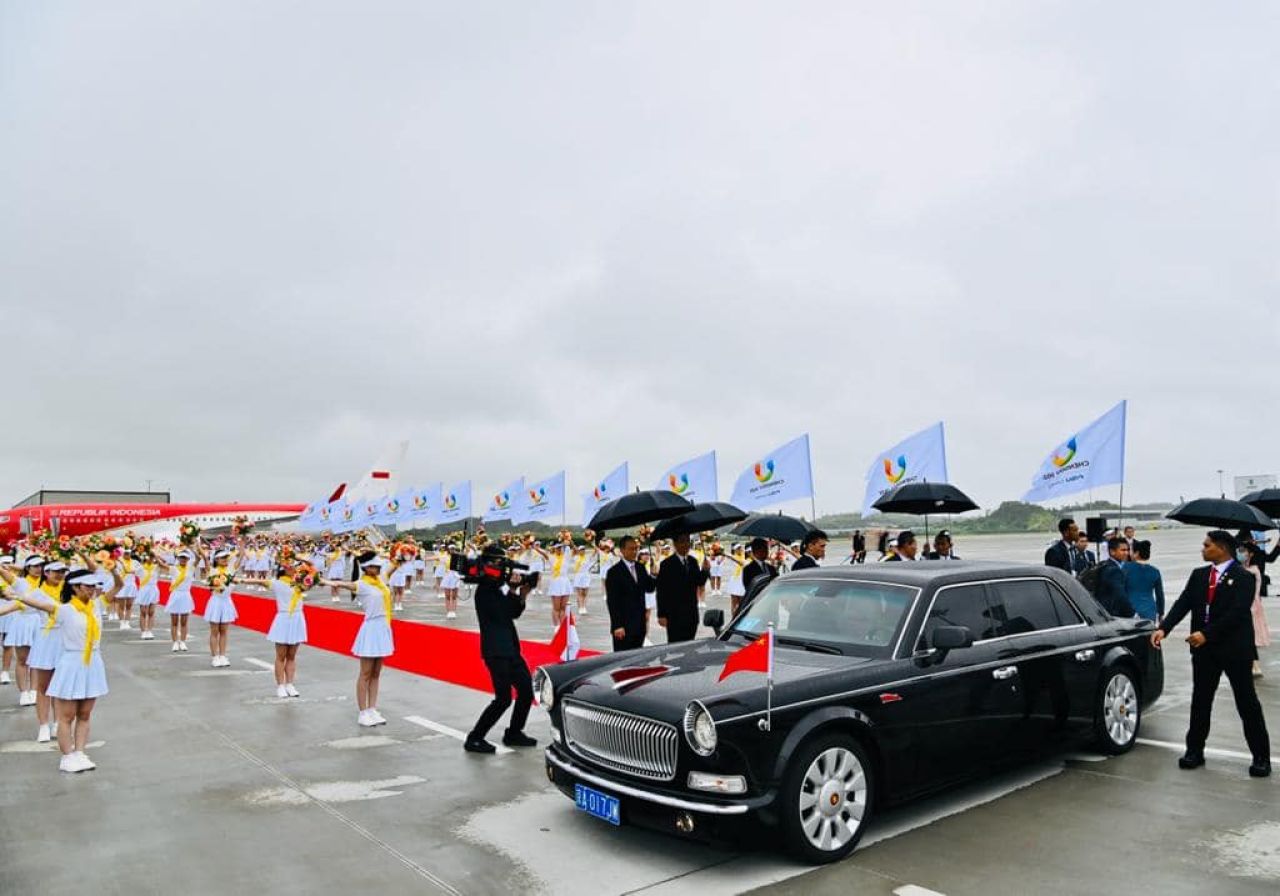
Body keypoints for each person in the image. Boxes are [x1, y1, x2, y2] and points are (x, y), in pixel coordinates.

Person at [1151, 530, 1270, 777]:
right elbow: (1183, 603)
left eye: (1207, 545)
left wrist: (1207, 634)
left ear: (1222, 548)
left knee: (1246, 703)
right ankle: (1194, 751)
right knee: (1201, 701)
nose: (1202, 549)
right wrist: (1164, 628)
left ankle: (1261, 757)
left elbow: (1237, 614)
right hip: (1204, 651)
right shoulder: (1199, 575)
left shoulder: (1244, 577)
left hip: (1234, 649)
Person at [8, 567, 119, 772]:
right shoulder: (64, 609)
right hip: (71, 662)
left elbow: (118, 586)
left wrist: (115, 572)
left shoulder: (97, 606)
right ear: (75, 588)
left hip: (93, 663)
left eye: (94, 586)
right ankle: (67, 757)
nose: (92, 589)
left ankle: (80, 752)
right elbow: (35, 602)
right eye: (87, 586)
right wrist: (15, 595)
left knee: (85, 714)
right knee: (66, 716)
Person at [465, 547, 537, 754]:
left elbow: (514, 612)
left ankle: (514, 732)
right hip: (496, 651)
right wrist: (512, 589)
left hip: (510, 649)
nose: (503, 568)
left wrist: (521, 593)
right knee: (503, 698)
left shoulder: (497, 588)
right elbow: (502, 612)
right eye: (498, 563)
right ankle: (475, 738)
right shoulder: (485, 590)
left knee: (526, 690)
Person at [324, 551, 401, 727]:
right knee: (365, 673)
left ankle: (373, 708)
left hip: (384, 628)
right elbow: (339, 583)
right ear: (366, 568)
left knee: (376, 673)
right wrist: (316, 580)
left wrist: (404, 553)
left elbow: (395, 564)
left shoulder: (382, 579)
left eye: (378, 565)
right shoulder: (361, 584)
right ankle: (363, 712)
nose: (378, 568)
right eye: (374, 565)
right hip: (371, 629)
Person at [267, 561, 313, 698]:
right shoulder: (276, 583)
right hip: (283, 618)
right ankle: (280, 685)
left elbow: (312, 569)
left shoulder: (300, 583)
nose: (293, 568)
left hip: (297, 618)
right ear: (283, 569)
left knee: (292, 655)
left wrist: (298, 558)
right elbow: (259, 581)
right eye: (289, 566)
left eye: (294, 566)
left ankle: (290, 684)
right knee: (281, 656)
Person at [656, 533, 710, 642]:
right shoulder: (666, 564)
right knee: (675, 646)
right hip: (674, 614)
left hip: (691, 613)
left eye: (688, 542)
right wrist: (661, 614)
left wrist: (705, 570)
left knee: (690, 645)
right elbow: (661, 591)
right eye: (682, 541)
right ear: (675, 544)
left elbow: (699, 582)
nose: (686, 545)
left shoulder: (693, 561)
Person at [605, 535, 655, 651]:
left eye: (636, 548)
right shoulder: (614, 572)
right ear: (622, 550)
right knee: (623, 661)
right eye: (631, 549)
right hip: (623, 626)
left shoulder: (640, 568)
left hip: (639, 624)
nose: (634, 552)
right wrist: (617, 625)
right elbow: (612, 601)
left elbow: (649, 588)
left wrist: (653, 575)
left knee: (637, 660)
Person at [1235, 536, 1271, 678]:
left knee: (1250, 638)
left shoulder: (1253, 571)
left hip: (1251, 607)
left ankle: (1254, 665)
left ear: (1250, 554)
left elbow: (1254, 592)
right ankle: (1251, 664)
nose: (1241, 553)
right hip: (1243, 607)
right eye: (1239, 550)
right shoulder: (1240, 569)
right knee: (1245, 639)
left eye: (1243, 551)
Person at [1124, 540, 1165, 623]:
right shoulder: (1155, 571)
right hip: (1150, 611)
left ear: (1137, 553)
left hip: (1131, 611)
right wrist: (1161, 613)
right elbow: (1160, 595)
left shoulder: (1125, 568)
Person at [1094, 537, 1135, 616]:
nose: (1126, 553)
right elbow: (1120, 596)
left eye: (1127, 550)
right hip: (1113, 614)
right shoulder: (1114, 571)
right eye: (1123, 550)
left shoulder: (1105, 565)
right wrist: (1132, 614)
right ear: (1112, 552)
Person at [740, 538, 778, 606]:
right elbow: (749, 588)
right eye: (765, 549)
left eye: (767, 549)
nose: (767, 552)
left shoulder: (771, 568)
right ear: (756, 551)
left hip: (772, 602)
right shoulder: (748, 569)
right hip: (757, 603)